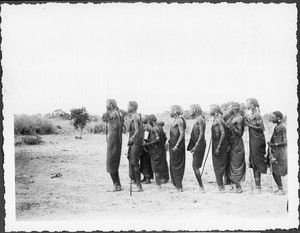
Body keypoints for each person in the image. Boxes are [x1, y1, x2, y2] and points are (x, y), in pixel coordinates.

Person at [244, 98, 267, 193]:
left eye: (248, 104)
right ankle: (257, 187)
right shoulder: (252, 114)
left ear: (252, 105)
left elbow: (261, 128)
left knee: (257, 162)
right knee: (253, 162)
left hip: (258, 141)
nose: (246, 105)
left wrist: (249, 125)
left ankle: (258, 188)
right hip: (253, 140)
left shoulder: (257, 115)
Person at [102, 99, 124, 192]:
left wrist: (107, 115)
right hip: (115, 141)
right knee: (114, 162)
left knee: (111, 162)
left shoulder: (113, 114)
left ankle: (116, 186)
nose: (106, 105)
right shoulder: (118, 113)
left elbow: (105, 119)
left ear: (111, 105)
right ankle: (118, 185)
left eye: (107, 104)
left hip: (113, 141)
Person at [224, 102, 246, 193]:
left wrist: (231, 127)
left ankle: (238, 187)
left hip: (237, 143)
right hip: (231, 142)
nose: (228, 110)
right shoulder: (232, 118)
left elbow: (240, 133)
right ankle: (232, 184)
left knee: (236, 164)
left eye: (229, 108)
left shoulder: (239, 118)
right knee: (231, 163)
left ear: (234, 109)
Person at [143, 114, 167, 189]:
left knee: (156, 169)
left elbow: (157, 139)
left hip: (156, 151)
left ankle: (158, 186)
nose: (148, 122)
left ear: (151, 120)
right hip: (160, 150)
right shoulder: (159, 127)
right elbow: (164, 138)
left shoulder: (155, 128)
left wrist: (148, 143)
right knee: (158, 168)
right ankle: (159, 184)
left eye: (149, 120)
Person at [210, 104, 229, 193]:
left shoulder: (218, 120)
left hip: (219, 145)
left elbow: (223, 133)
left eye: (211, 109)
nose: (209, 110)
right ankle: (220, 185)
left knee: (219, 165)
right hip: (216, 144)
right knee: (217, 165)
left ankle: (221, 187)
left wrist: (219, 147)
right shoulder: (216, 119)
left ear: (216, 111)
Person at [187, 104, 206, 192]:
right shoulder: (198, 119)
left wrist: (196, 146)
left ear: (194, 110)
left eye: (190, 109)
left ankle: (201, 187)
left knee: (195, 166)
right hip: (198, 145)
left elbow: (201, 133)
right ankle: (200, 186)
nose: (189, 111)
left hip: (199, 145)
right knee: (196, 166)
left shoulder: (199, 119)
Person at [267, 111, 287, 195]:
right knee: (274, 169)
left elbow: (285, 142)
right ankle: (280, 188)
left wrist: (274, 144)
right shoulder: (276, 127)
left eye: (273, 117)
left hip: (280, 152)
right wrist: (269, 147)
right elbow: (272, 139)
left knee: (277, 169)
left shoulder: (283, 127)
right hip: (275, 151)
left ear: (278, 118)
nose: (271, 119)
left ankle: (281, 190)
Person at [168, 105, 186, 192]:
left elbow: (182, 133)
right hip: (172, 144)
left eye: (171, 110)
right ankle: (176, 185)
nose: (170, 112)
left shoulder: (179, 121)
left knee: (177, 165)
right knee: (173, 165)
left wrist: (177, 145)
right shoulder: (174, 120)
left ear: (175, 111)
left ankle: (179, 186)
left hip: (177, 146)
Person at [127, 101, 144, 192]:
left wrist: (132, 138)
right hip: (134, 142)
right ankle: (136, 182)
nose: (127, 107)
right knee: (133, 162)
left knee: (134, 162)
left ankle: (139, 185)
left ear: (133, 107)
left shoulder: (135, 116)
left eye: (128, 106)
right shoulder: (136, 116)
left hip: (136, 142)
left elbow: (137, 131)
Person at [140, 115, 154, 184]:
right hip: (144, 147)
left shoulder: (147, 127)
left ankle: (148, 179)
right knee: (143, 162)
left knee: (147, 163)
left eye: (144, 118)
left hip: (146, 147)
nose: (142, 119)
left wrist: (144, 143)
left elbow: (145, 138)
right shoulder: (144, 126)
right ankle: (144, 177)